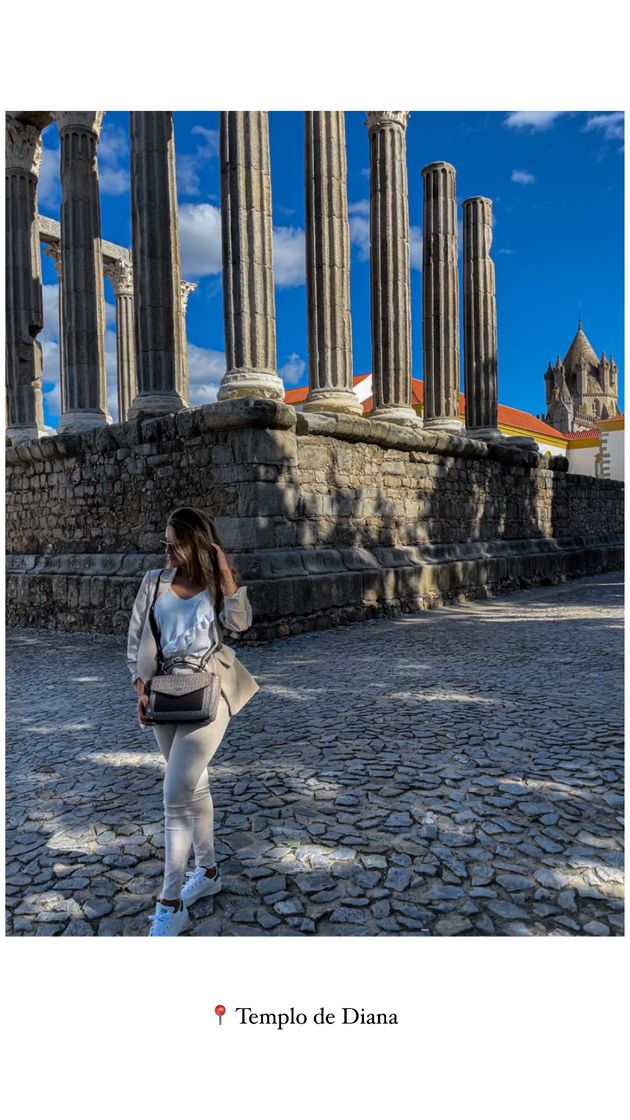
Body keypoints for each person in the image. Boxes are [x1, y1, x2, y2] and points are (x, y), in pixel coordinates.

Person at [126, 507, 259, 936]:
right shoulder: (154, 582)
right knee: (193, 785)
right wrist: (140, 689)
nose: (166, 551)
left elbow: (240, 623)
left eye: (173, 544)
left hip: (211, 691)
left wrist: (225, 573)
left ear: (195, 544)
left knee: (175, 790)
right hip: (165, 693)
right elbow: (136, 640)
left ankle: (170, 901)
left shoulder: (215, 586)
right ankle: (209, 872)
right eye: (164, 543)